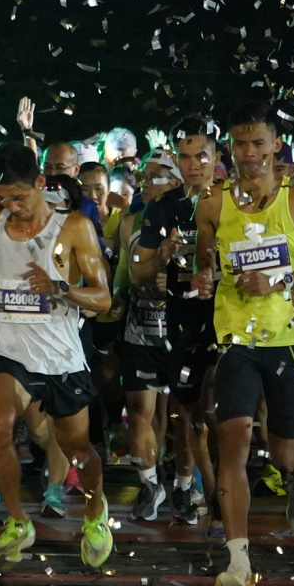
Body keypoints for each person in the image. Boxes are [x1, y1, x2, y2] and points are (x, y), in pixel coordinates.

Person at [0, 143, 115, 570]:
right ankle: (17, 521)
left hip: (61, 357)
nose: (12, 207)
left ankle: (95, 510)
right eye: (4, 198)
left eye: (20, 197)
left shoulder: (74, 228)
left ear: (41, 183)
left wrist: (60, 288)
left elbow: (104, 299)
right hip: (12, 353)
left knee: (77, 448)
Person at [193, 103, 294, 586]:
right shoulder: (211, 204)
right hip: (235, 340)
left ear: (276, 145)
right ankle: (239, 562)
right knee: (235, 438)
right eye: (240, 144)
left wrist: (282, 280)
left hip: (287, 339)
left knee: (286, 449)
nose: (249, 153)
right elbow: (204, 261)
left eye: (258, 143)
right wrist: (203, 277)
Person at [132, 117, 224, 523]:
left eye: (201, 156)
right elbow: (138, 273)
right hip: (180, 324)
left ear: (216, 156)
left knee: (220, 415)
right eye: (184, 157)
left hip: (230, 321)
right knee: (191, 418)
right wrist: (161, 258)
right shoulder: (162, 207)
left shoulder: (234, 201)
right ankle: (196, 490)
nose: (193, 164)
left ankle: (216, 492)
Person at [116, 152, 182, 522]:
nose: (146, 184)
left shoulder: (195, 217)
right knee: (140, 412)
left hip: (182, 334)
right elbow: (124, 278)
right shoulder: (130, 223)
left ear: (175, 182)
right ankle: (149, 484)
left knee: (184, 418)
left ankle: (186, 485)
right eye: (143, 177)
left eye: (155, 177)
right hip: (140, 330)